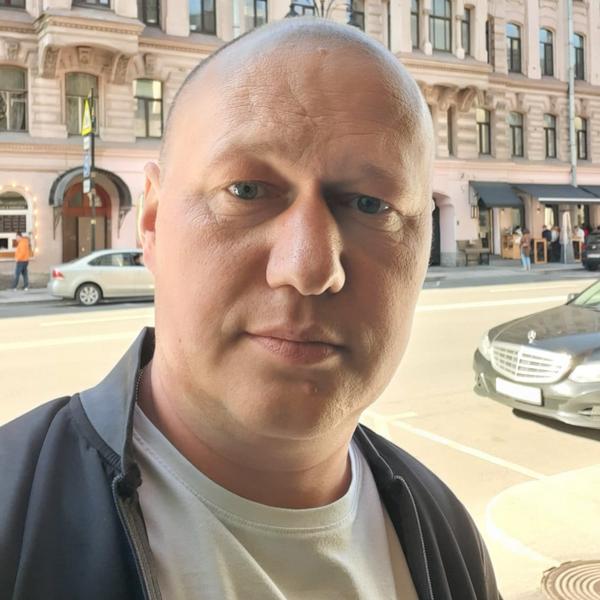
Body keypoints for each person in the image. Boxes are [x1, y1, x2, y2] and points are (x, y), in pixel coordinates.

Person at [0, 19, 500, 600]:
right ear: (153, 223)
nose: (308, 268)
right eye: (247, 191)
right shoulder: (11, 515)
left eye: (370, 204)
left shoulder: (449, 535)